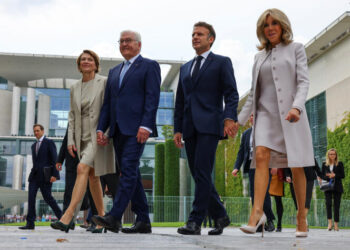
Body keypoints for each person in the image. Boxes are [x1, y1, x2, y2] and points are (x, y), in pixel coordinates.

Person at [238, 8, 314, 238]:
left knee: (297, 165)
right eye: (265, 25)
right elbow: (253, 93)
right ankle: (257, 212)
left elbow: (303, 82)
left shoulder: (296, 49)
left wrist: (297, 107)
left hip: (292, 116)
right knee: (259, 155)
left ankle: (302, 216)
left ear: (282, 26)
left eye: (274, 24)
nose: (270, 28)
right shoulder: (258, 57)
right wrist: (238, 120)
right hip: (266, 116)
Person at [174, 21, 239, 235]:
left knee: (202, 171)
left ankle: (195, 221)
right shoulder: (185, 68)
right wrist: (177, 129)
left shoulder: (221, 62)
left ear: (210, 39)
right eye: (193, 34)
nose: (195, 37)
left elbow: (231, 93)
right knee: (200, 174)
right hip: (190, 128)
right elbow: (180, 102)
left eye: (200, 34)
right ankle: (220, 215)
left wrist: (229, 118)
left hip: (211, 125)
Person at [92, 30, 161, 234]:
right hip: (117, 131)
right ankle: (143, 220)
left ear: (139, 44)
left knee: (128, 170)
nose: (124, 44)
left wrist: (146, 125)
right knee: (133, 174)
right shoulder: (114, 71)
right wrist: (101, 129)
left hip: (137, 129)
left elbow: (152, 97)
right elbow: (108, 104)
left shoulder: (149, 66)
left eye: (128, 41)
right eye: (121, 41)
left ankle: (114, 216)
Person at [51, 50, 116, 233]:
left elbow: (111, 109)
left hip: (98, 134)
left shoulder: (104, 82)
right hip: (81, 137)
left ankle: (68, 216)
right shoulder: (74, 87)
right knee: (93, 177)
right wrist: (71, 140)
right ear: (79, 65)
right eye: (83, 60)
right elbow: (72, 117)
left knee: (82, 168)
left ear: (96, 64)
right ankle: (102, 219)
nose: (86, 62)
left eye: (90, 59)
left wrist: (107, 132)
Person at [232, 114, 275, 232]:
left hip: (265, 165)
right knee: (254, 194)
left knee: (264, 193)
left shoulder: (267, 131)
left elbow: (273, 148)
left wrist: (274, 165)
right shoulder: (246, 134)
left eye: (254, 115)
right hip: (251, 166)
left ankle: (269, 221)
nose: (252, 117)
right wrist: (236, 167)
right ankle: (259, 221)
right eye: (250, 116)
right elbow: (241, 152)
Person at [19, 124, 62, 230]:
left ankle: (63, 219)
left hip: (46, 176)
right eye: (34, 131)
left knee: (48, 198)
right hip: (34, 176)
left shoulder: (49, 143)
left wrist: (55, 175)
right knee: (31, 198)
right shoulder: (33, 146)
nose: (36, 133)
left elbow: (54, 159)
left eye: (38, 131)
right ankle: (30, 223)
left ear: (43, 131)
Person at [56, 127, 90, 230]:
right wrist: (60, 160)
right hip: (71, 160)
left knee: (86, 191)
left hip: (86, 159)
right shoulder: (71, 122)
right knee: (69, 190)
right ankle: (66, 221)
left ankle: (91, 219)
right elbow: (66, 140)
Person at [286, 158, 323, 231]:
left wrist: (320, 176)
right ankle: (303, 222)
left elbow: (316, 166)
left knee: (306, 200)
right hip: (294, 178)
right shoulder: (291, 151)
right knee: (297, 201)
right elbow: (286, 164)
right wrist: (287, 175)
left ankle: (301, 223)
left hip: (309, 178)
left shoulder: (308, 151)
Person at [322, 148, 345, 231]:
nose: (332, 155)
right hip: (327, 186)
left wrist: (335, 175)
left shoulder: (340, 163)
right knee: (328, 204)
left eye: (334, 154)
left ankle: (336, 225)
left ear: (336, 155)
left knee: (336, 206)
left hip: (337, 187)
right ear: (328, 155)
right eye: (330, 154)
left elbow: (342, 175)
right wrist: (328, 176)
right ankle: (329, 224)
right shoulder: (324, 164)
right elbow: (322, 176)